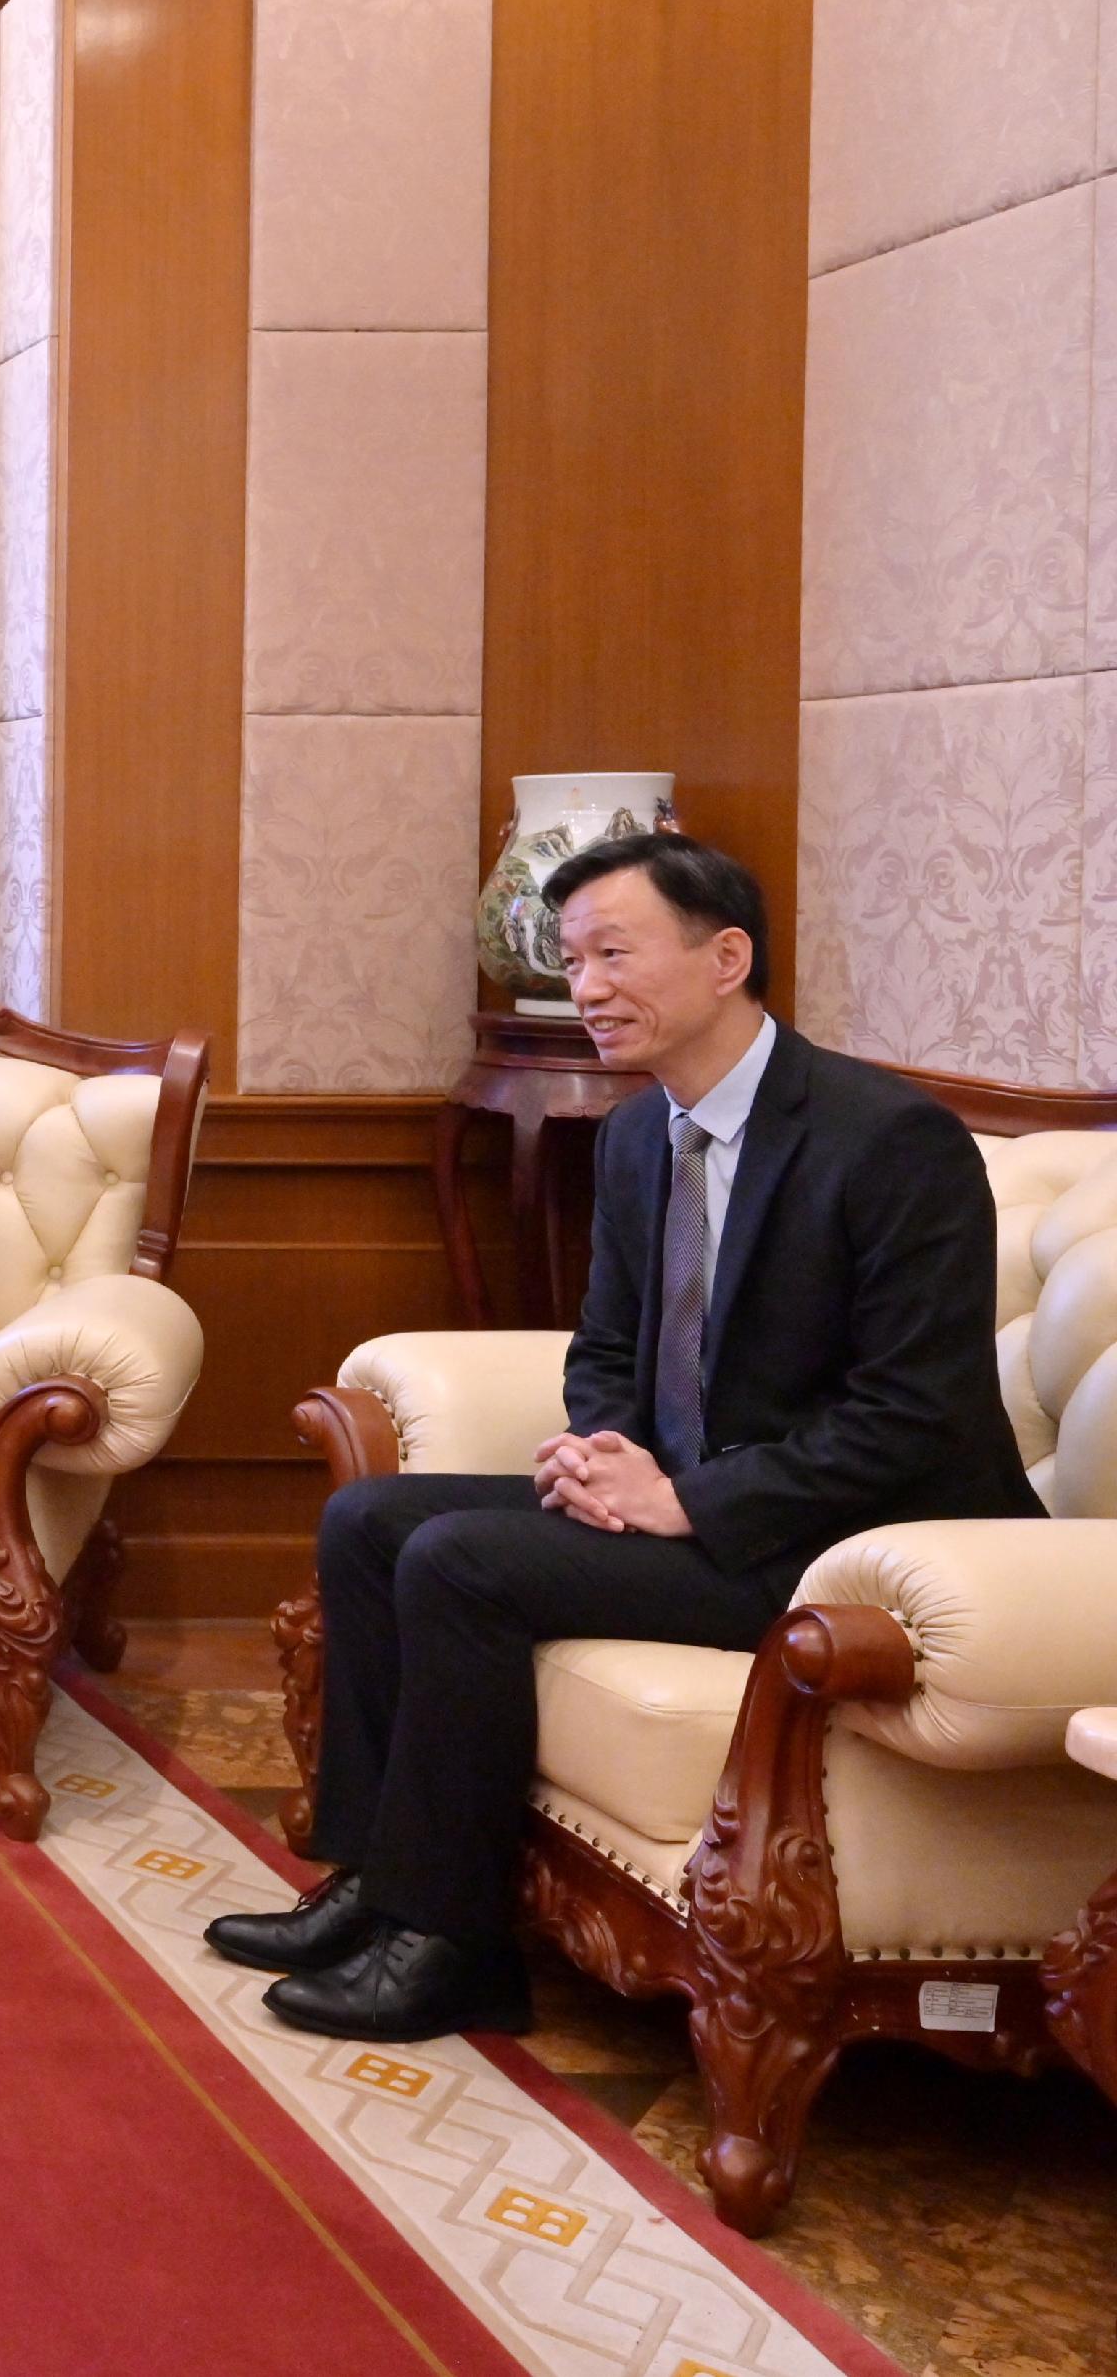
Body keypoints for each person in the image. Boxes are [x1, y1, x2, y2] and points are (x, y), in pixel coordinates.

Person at [209, 832, 1040, 2041]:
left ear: (725, 957)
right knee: (369, 1518)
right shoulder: (643, 1133)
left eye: (611, 953)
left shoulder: (885, 1142)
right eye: (569, 960)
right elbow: (606, 1349)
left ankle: (454, 1946)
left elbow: (912, 1417)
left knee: (458, 1559)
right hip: (699, 1502)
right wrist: (605, 1452)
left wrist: (691, 1501)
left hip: (842, 1542)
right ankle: (378, 1885)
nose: (584, 987)